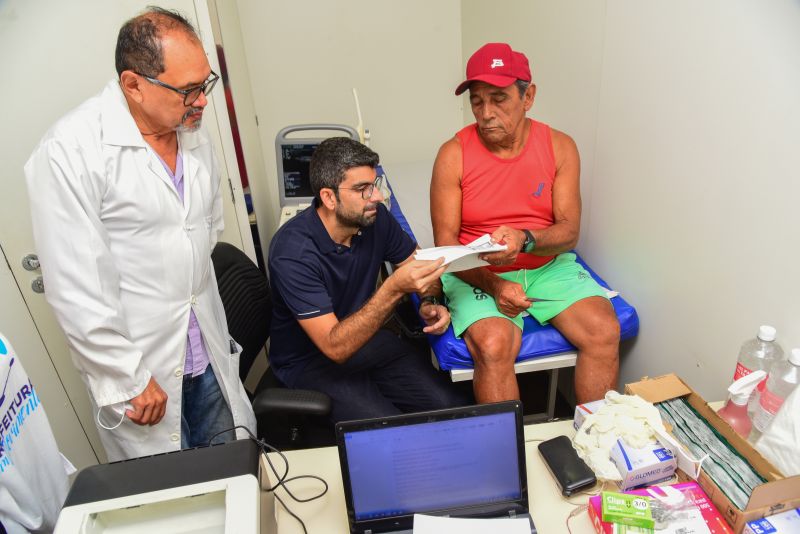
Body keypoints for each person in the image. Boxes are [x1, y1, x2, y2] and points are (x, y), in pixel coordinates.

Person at [24, 7, 255, 461]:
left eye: (204, 84)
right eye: (189, 90)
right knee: (170, 496)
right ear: (133, 84)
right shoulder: (70, 151)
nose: (203, 101)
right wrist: (127, 376)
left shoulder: (190, 131)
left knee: (228, 467)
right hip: (141, 371)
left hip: (203, 347)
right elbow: (75, 288)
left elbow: (204, 231)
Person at [430, 42, 620, 405]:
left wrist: (526, 239)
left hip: (546, 264)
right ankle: (506, 459)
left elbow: (568, 232)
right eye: (476, 100)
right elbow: (446, 245)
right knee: (493, 344)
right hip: (475, 268)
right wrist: (496, 284)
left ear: (528, 96)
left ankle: (595, 447)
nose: (485, 113)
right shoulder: (453, 154)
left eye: (498, 99)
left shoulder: (560, 147)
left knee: (603, 329)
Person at [268, 137, 469, 423]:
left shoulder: (374, 219)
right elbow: (335, 347)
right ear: (328, 197)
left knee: (451, 408)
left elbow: (422, 268)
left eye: (374, 185)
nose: (375, 196)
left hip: (364, 342)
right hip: (312, 360)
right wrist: (395, 287)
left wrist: (429, 300)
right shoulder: (293, 253)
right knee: (386, 431)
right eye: (362, 189)